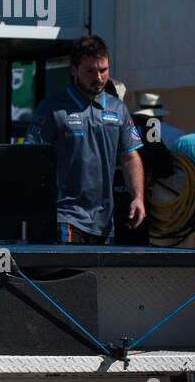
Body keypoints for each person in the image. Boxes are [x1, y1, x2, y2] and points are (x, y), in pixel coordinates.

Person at [27, 36, 145, 244]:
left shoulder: (118, 108)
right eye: (90, 71)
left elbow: (130, 157)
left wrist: (138, 197)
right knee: (70, 265)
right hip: (65, 216)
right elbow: (32, 158)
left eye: (103, 70)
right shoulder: (51, 108)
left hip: (104, 222)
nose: (98, 77)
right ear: (74, 70)